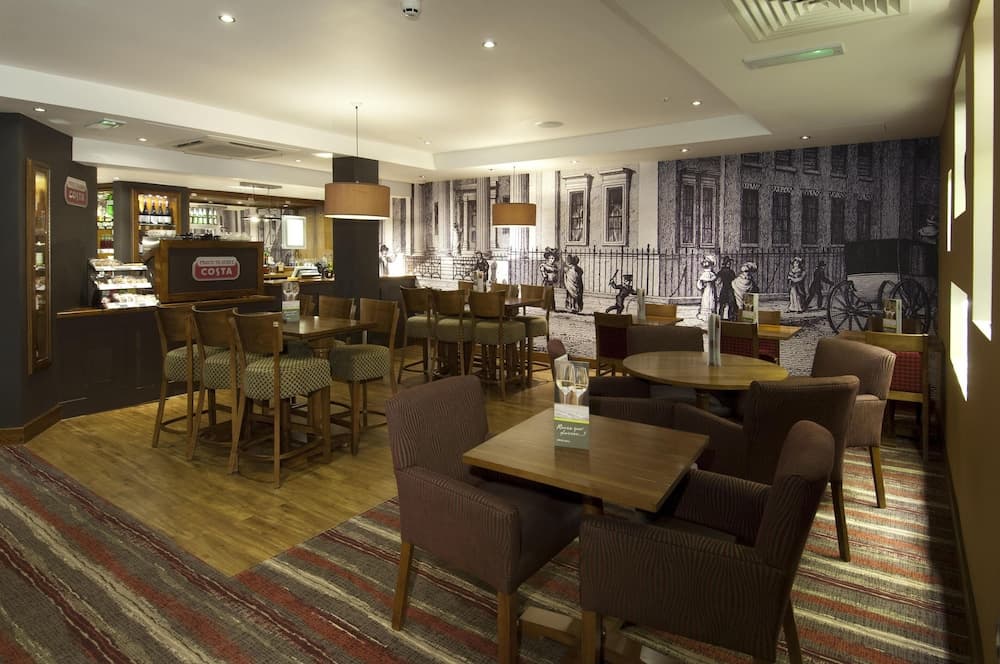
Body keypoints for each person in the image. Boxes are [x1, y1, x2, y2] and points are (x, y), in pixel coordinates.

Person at [715, 256, 738, 320]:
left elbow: (718, 281)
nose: (729, 264)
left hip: (727, 289)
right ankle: (728, 317)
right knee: (727, 304)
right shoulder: (730, 272)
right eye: (728, 263)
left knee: (726, 304)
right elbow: (718, 281)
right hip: (727, 289)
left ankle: (723, 317)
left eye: (729, 263)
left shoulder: (723, 271)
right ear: (725, 263)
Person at [696, 255, 717, 320]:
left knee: (711, 300)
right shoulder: (705, 274)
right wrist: (702, 286)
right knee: (706, 300)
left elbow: (714, 278)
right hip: (706, 289)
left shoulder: (711, 273)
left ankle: (710, 314)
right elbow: (700, 281)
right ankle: (705, 315)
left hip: (711, 289)